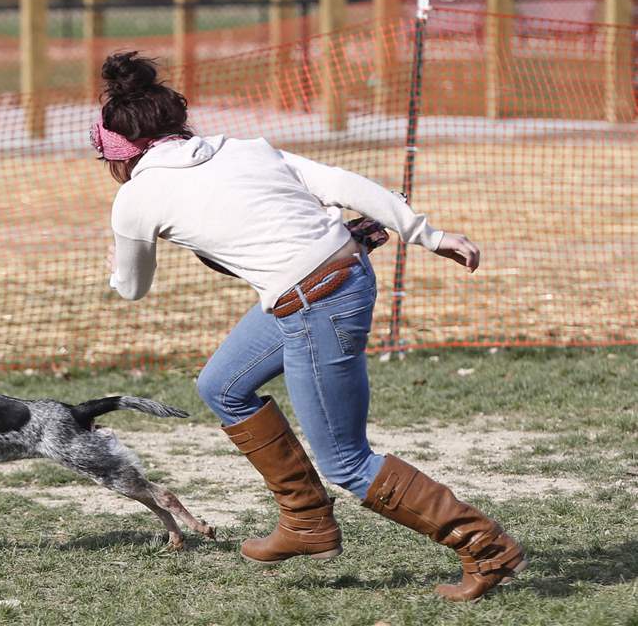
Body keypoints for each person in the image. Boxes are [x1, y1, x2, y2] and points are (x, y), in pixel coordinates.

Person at [92, 51, 526, 602]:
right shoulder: (241, 148)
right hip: (335, 276)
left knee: (346, 460)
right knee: (222, 386)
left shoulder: (134, 199)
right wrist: (428, 234)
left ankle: (486, 549)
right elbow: (343, 183)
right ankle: (306, 522)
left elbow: (132, 288)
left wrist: (116, 261)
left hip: (316, 302)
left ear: (118, 151)